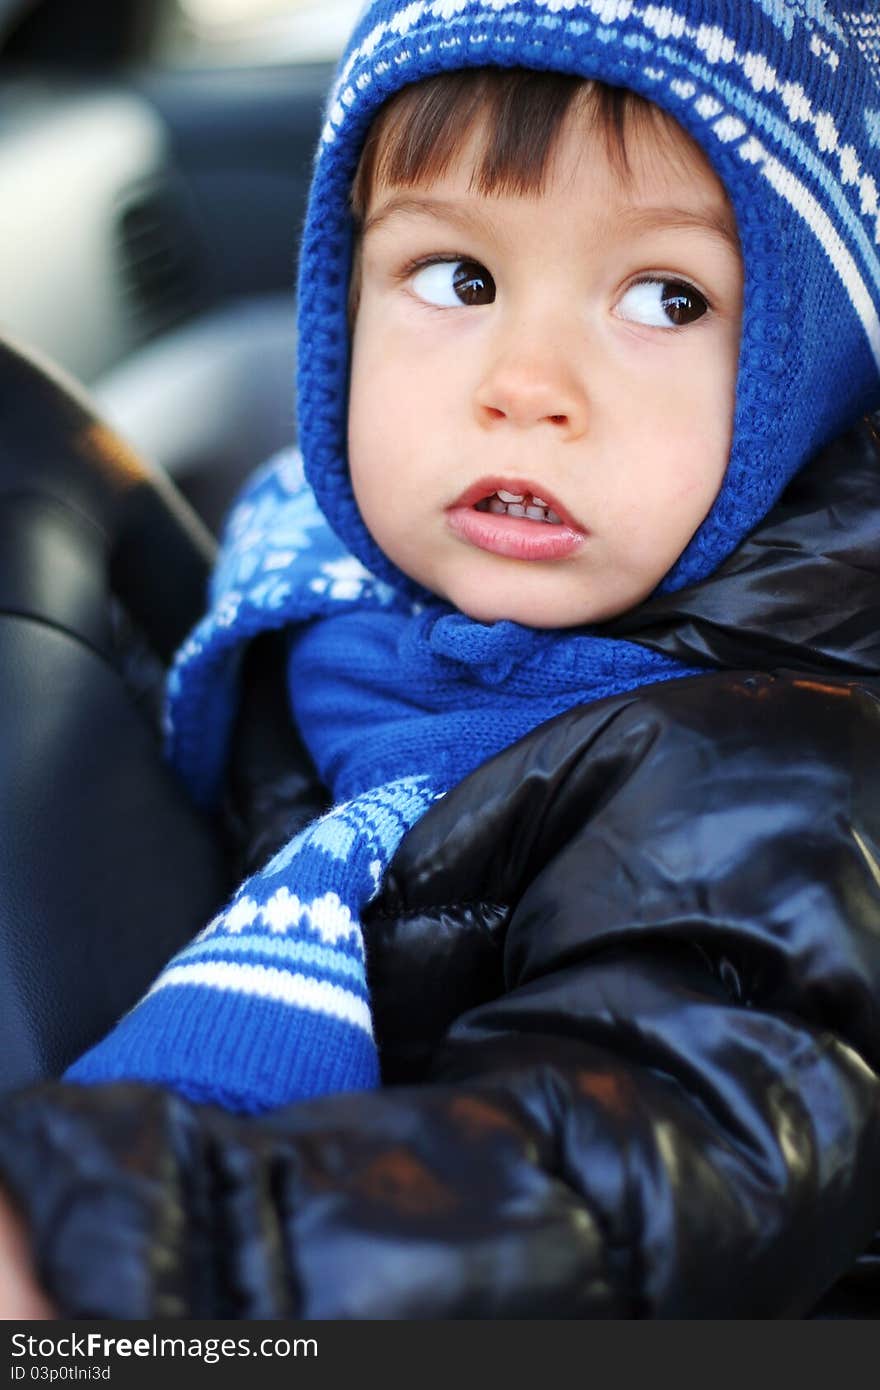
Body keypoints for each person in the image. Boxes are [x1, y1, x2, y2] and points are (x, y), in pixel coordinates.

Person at [0, 0, 879, 1318]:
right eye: (459, 279)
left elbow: (609, 1191)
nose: (525, 380)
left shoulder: (766, 781)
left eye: (664, 297)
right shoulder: (313, 596)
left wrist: (110, 1242)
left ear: (808, 388)